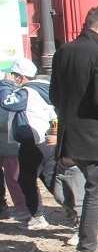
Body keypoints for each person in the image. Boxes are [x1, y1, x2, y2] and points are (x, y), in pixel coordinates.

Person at [49, 6, 98, 252]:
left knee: (85, 187)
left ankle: (87, 241)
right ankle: (88, 249)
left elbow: (53, 96)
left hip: (69, 135)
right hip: (94, 137)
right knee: (96, 191)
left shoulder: (62, 52)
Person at [0, 58, 54, 231]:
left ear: (21, 76)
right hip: (39, 141)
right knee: (34, 179)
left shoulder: (27, 92)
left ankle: (76, 216)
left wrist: (6, 85)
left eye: (13, 75)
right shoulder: (41, 88)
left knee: (36, 179)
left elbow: (7, 103)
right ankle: (38, 215)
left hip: (34, 142)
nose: (11, 77)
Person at [0, 94, 27, 221]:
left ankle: (24, 208)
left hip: (10, 147)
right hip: (5, 145)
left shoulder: (9, 98)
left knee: (14, 179)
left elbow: (7, 122)